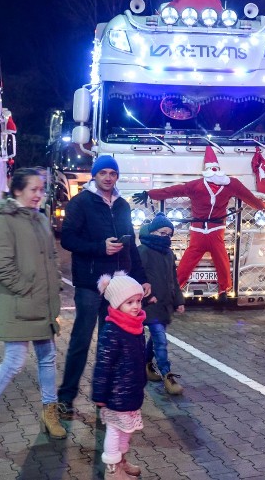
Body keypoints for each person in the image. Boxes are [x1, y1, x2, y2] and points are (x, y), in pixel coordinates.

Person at [0, 168, 64, 449]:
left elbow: (52, 255)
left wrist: (55, 281)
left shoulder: (40, 218)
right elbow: (2, 267)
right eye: (33, 189)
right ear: (17, 190)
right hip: (20, 303)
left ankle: (50, 413)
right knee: (14, 362)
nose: (39, 194)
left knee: (47, 357)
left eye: (41, 189)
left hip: (42, 302)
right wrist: (29, 289)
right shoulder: (3, 221)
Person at [59, 155, 149, 418]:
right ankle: (66, 397)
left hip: (117, 287)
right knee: (81, 340)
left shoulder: (122, 205)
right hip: (90, 284)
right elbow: (68, 239)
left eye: (112, 173)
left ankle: (105, 400)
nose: (108, 177)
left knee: (110, 344)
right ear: (94, 176)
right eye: (103, 173)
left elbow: (130, 243)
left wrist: (142, 278)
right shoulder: (81, 203)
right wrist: (100, 247)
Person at [133, 147, 265, 295]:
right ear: (207, 170)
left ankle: (224, 290)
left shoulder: (231, 184)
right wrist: (149, 194)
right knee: (187, 263)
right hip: (198, 231)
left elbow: (248, 196)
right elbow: (172, 191)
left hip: (216, 230)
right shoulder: (197, 185)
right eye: (212, 168)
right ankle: (174, 290)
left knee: (221, 260)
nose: (214, 171)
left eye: (216, 168)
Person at [92, 272, 148, 480]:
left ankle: (121, 462)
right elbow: (103, 365)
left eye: (138, 301)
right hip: (115, 395)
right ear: (117, 304)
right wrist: (100, 394)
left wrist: (141, 382)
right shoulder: (113, 330)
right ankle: (112, 470)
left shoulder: (136, 327)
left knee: (126, 431)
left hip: (131, 392)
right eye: (129, 302)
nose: (136, 306)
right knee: (115, 431)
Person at [137, 213, 186, 395]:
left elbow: (173, 279)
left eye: (168, 234)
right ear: (153, 232)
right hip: (150, 303)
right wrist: (143, 297)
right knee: (160, 340)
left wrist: (178, 301)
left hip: (165, 303)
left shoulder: (168, 253)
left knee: (156, 338)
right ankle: (167, 375)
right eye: (162, 232)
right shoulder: (143, 251)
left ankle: (147, 366)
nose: (165, 237)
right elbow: (136, 276)